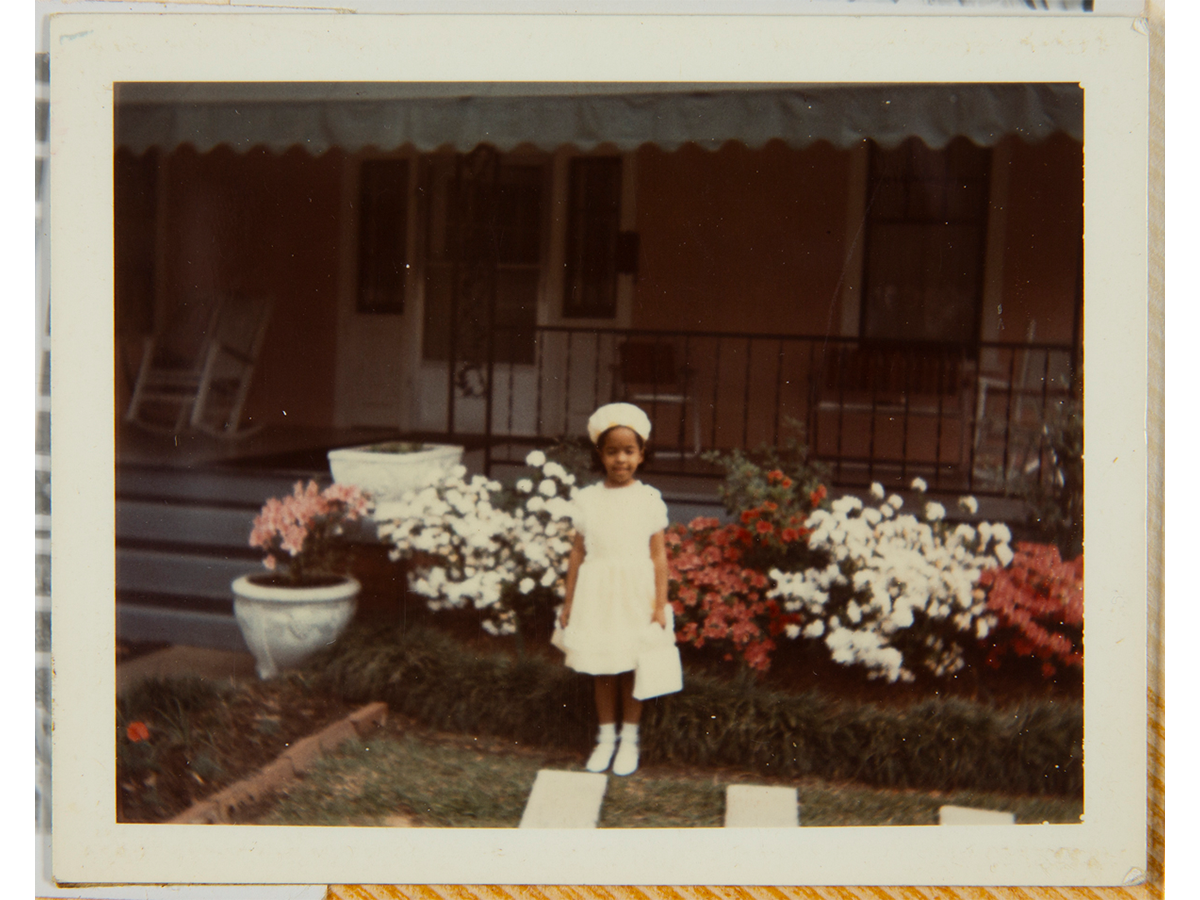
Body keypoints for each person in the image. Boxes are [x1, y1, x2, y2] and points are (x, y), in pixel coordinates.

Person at [557, 402, 671, 777]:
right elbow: (577, 551)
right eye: (612, 451)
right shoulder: (589, 499)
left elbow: (658, 556)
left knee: (632, 664)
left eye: (629, 451)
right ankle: (605, 738)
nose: (620, 459)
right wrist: (569, 600)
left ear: (641, 455)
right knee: (603, 666)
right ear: (600, 455)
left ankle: (629, 739)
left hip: (636, 595)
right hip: (598, 594)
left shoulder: (648, 498)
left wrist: (660, 605)